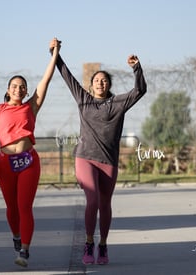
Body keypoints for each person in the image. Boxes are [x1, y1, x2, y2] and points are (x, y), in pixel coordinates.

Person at [53, 44, 147, 265]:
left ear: (109, 85)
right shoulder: (83, 99)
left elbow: (140, 91)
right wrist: (54, 53)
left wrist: (137, 68)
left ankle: (102, 244)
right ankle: (88, 242)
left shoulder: (117, 103)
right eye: (96, 80)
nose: (100, 83)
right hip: (85, 157)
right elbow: (66, 75)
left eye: (104, 80)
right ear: (91, 85)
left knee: (105, 203)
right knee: (93, 199)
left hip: (108, 161)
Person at [0, 38, 61, 268]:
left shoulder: (31, 106)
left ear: (26, 91)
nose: (18, 89)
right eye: (14, 86)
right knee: (11, 208)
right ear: (8, 90)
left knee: (24, 207)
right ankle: (16, 237)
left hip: (28, 161)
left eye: (22, 86)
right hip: (5, 163)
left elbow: (46, 80)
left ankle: (25, 250)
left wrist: (54, 55)